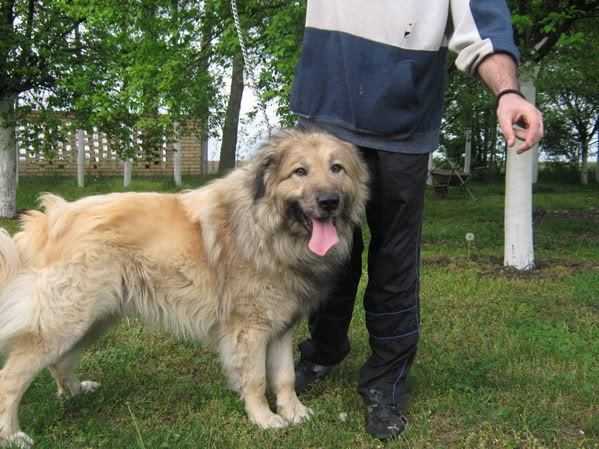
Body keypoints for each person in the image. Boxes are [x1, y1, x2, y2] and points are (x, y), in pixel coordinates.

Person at [289, 0, 544, 441]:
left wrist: (509, 92)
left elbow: (485, 26)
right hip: (325, 114)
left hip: (402, 126)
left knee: (395, 260)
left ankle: (384, 382)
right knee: (325, 251)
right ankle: (323, 351)